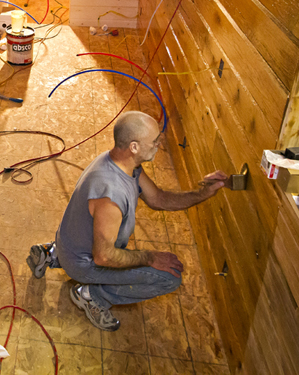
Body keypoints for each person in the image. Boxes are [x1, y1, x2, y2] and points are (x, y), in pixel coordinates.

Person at [27, 110, 228, 331]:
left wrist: (203, 194)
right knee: (170, 279)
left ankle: (52, 254)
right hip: (84, 263)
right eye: (154, 141)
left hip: (70, 244)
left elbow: (159, 199)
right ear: (134, 147)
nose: (159, 145)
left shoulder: (119, 162)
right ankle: (90, 295)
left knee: (111, 248)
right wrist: (149, 258)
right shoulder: (111, 195)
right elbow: (103, 257)